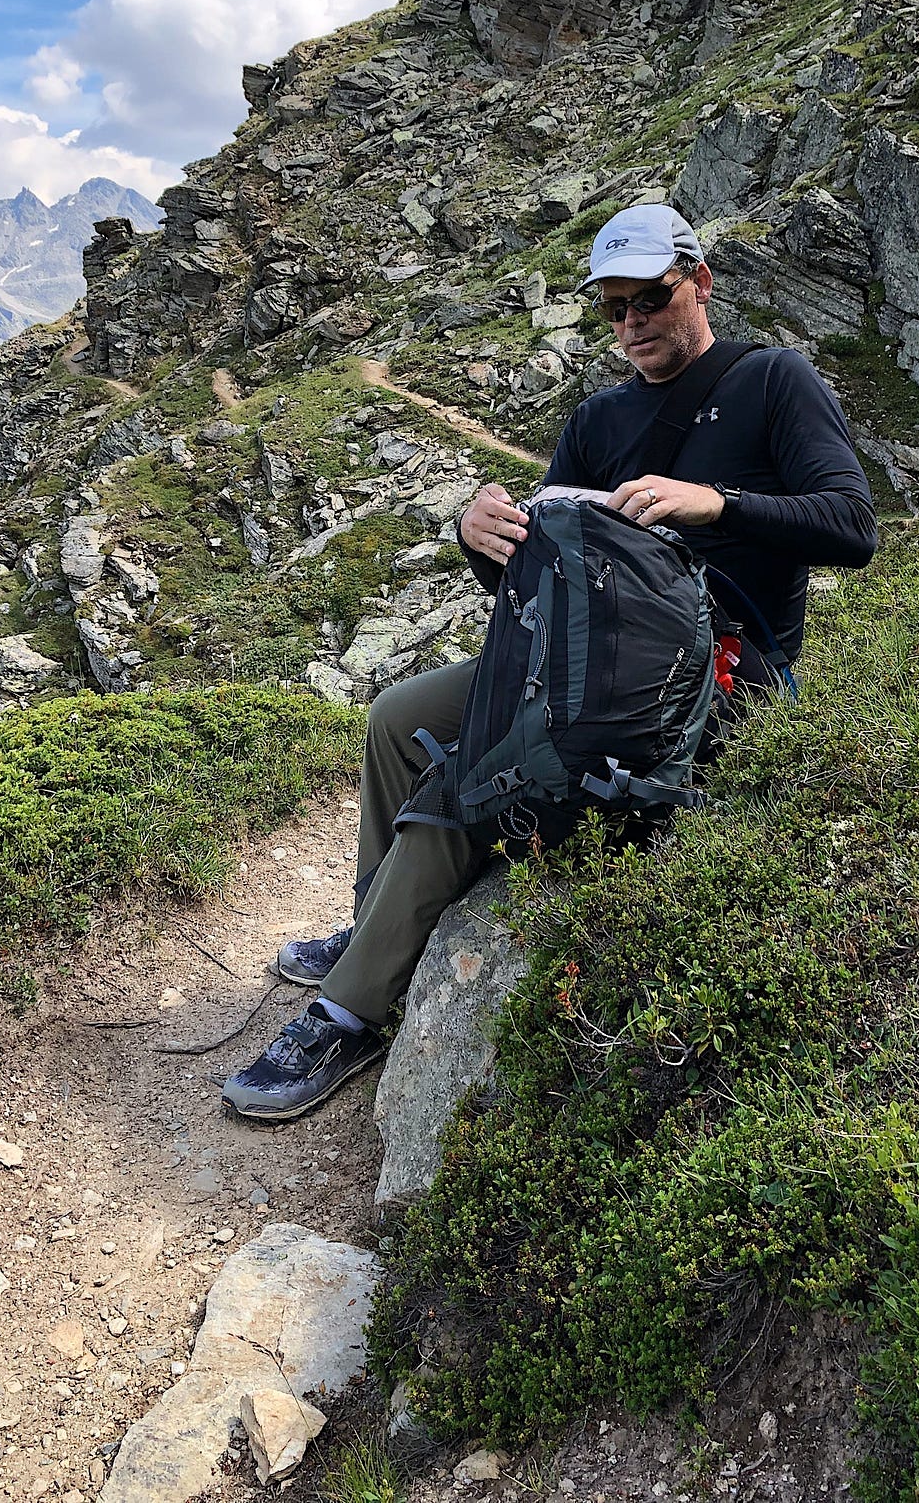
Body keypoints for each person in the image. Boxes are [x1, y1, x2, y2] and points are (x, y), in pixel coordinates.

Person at [221, 202, 877, 1122]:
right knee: (396, 720)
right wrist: (481, 543)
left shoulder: (774, 381)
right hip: (581, 659)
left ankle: (348, 1014)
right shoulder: (598, 420)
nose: (632, 323)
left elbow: (851, 528)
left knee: (484, 771)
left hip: (720, 676)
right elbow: (538, 585)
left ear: (700, 283)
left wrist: (713, 503)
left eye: (650, 297)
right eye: (613, 308)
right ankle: (376, 920)